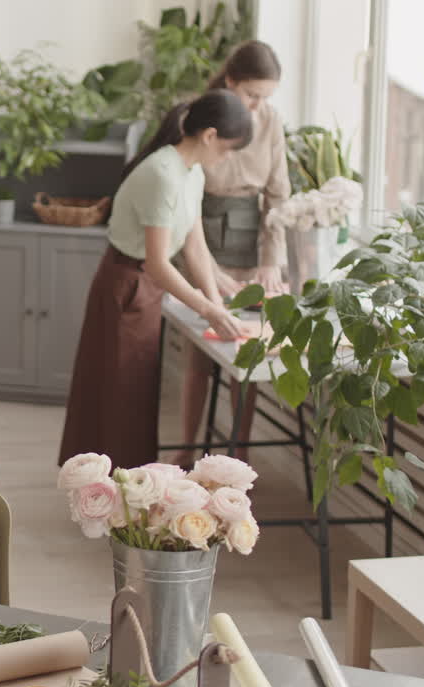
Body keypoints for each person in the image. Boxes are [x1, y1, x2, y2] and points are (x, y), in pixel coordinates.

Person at [58, 89, 253, 470]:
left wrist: (219, 305)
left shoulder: (192, 173)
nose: (227, 158)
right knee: (118, 395)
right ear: (210, 136)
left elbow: (196, 247)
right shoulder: (162, 175)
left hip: (144, 286)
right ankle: (110, 485)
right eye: (228, 149)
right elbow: (158, 264)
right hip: (124, 285)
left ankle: (131, 485)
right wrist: (209, 310)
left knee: (136, 392)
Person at [172, 40, 290, 468]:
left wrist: (271, 259)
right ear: (230, 80)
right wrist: (205, 268)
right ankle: (187, 447)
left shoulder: (271, 121)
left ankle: (238, 455)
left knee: (247, 351)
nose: (256, 105)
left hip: (251, 246)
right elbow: (184, 198)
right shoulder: (199, 117)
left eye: (264, 97)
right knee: (200, 355)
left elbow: (278, 195)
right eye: (251, 94)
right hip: (199, 237)